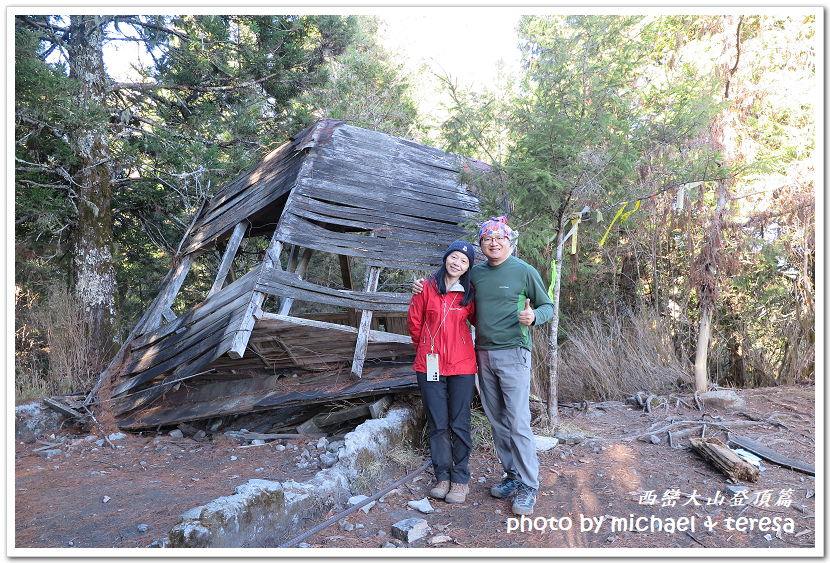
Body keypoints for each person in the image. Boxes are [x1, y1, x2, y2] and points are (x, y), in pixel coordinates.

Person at [413, 217, 553, 515]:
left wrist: (534, 318)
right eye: (487, 239)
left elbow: (547, 306)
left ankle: (529, 485)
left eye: (499, 238)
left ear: (508, 241)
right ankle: (512, 476)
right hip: (481, 355)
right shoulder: (474, 274)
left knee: (517, 420)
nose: (493, 243)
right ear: (481, 244)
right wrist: (419, 286)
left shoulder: (523, 271)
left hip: (514, 351)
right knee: (498, 420)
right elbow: (443, 287)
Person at [407, 241, 477, 504]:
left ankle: (460, 480)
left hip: (462, 366)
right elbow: (415, 322)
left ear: (468, 267)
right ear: (446, 258)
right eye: (453, 257)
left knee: (459, 423)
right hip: (430, 365)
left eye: (463, 260)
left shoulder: (469, 293)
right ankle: (442, 477)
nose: (456, 263)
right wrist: (425, 348)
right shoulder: (425, 287)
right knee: (437, 424)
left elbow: (480, 320)